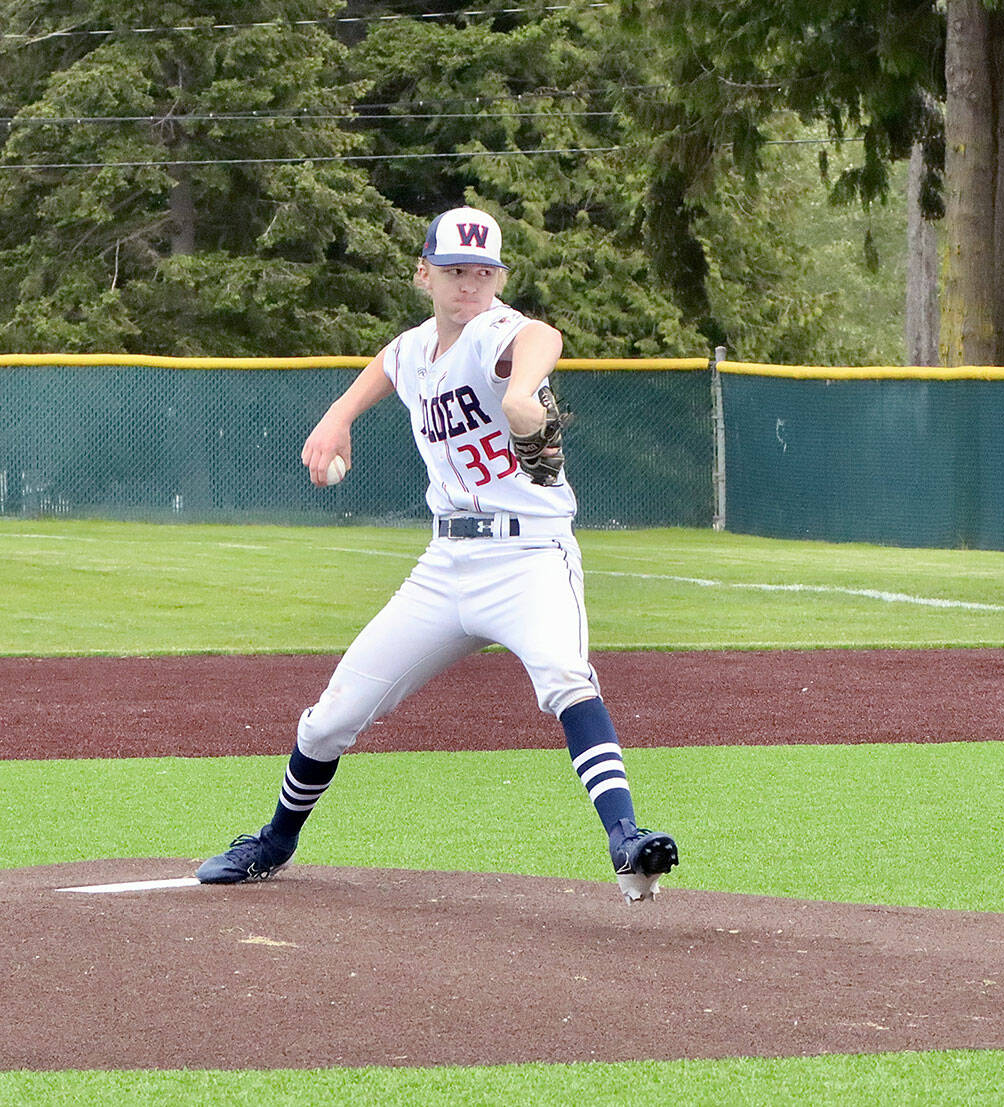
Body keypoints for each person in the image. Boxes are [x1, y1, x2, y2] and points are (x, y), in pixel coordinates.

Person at [196, 205, 679, 902]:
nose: (470, 284)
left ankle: (626, 838)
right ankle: (273, 841)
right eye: (456, 271)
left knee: (568, 679)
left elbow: (541, 334)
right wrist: (337, 415)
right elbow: (389, 364)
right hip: (445, 565)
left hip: (529, 558)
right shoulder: (416, 347)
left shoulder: (494, 333)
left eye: (484, 272)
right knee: (332, 716)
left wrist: (519, 389)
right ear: (423, 273)